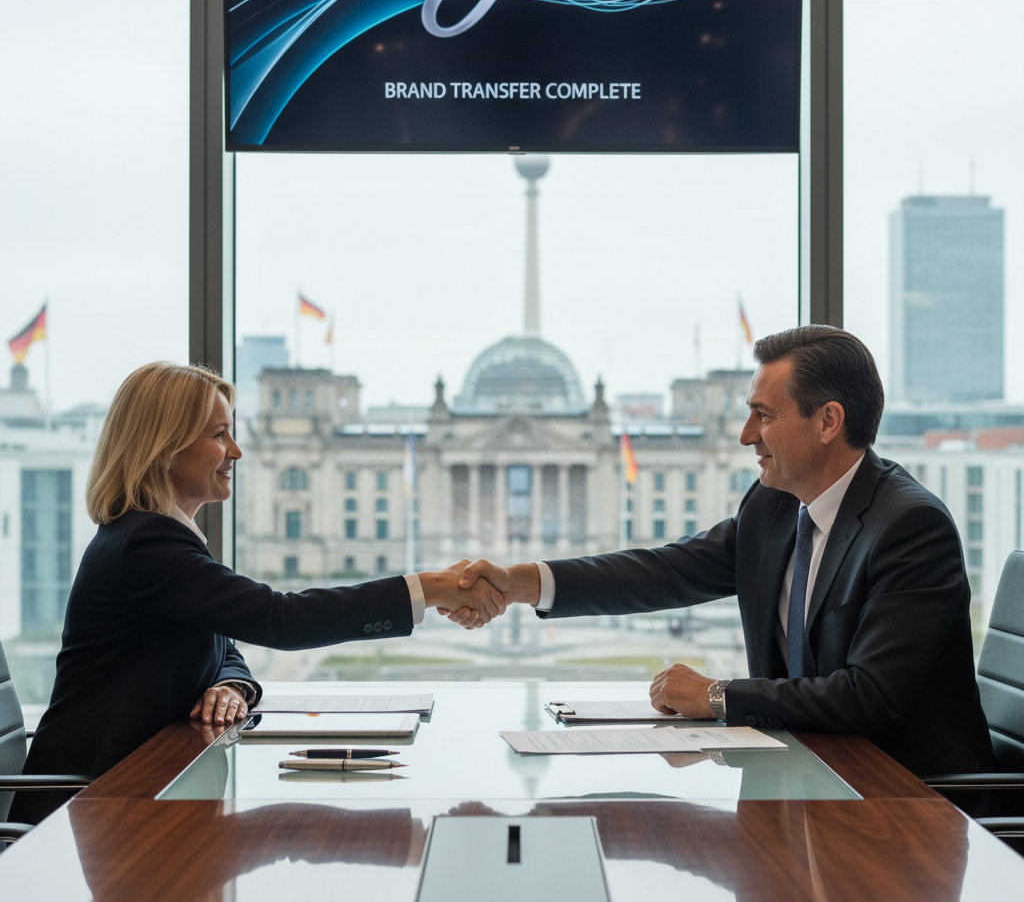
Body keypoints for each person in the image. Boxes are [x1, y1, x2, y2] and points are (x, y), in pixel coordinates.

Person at [453, 326, 995, 777]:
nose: (744, 435)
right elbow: (667, 571)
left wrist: (717, 695)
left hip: (906, 800)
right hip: (801, 776)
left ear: (829, 421)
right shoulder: (775, 504)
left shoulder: (910, 527)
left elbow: (869, 698)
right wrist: (521, 582)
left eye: (764, 415)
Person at [11, 362, 505, 824]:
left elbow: (226, 646)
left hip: (141, 788)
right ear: (165, 446)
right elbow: (280, 619)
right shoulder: (146, 544)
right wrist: (430, 588)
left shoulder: (159, 537)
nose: (236, 452)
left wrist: (232, 687)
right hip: (88, 809)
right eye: (219, 434)